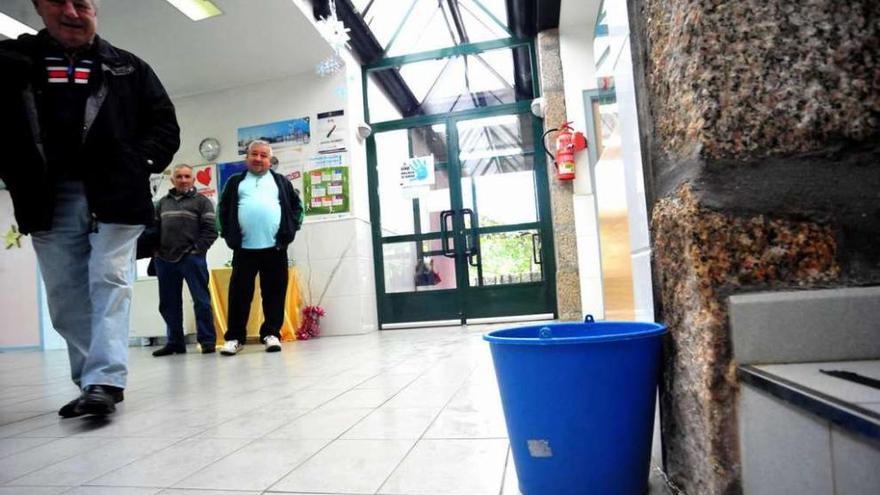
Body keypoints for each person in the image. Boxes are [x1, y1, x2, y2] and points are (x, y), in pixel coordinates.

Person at [0, 0, 180, 417]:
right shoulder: (17, 61)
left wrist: (138, 164)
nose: (72, 12)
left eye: (81, 3)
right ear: (39, 8)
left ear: (95, 8)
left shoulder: (129, 68)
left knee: (110, 280)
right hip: (46, 194)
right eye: (58, 2)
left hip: (116, 192)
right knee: (65, 295)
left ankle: (104, 381)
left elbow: (165, 126)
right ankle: (90, 380)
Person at [217, 140, 303, 355]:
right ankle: (235, 338)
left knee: (274, 293)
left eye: (263, 155)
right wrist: (227, 234)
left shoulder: (281, 182)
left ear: (269, 160)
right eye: (254, 154)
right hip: (244, 249)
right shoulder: (235, 182)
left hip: (275, 248)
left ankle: (271, 334)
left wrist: (290, 231)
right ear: (247, 157)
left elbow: (297, 208)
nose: (258, 158)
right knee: (239, 295)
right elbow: (222, 209)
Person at [151, 164, 218, 357]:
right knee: (168, 304)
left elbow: (211, 231)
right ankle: (175, 343)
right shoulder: (161, 203)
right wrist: (155, 251)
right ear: (172, 180)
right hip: (164, 260)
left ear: (193, 179)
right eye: (179, 176)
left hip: (192, 259)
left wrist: (196, 251)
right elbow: (153, 230)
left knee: (202, 301)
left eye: (187, 176)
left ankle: (207, 341)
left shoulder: (202, 202)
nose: (183, 180)